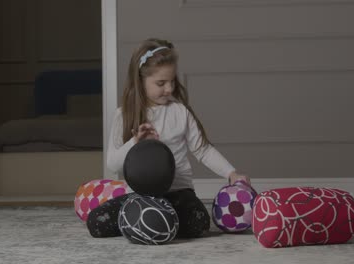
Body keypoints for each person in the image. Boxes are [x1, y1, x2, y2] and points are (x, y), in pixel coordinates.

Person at [87, 38, 251, 239]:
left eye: (172, 81)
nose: (169, 88)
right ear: (140, 81)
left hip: (178, 193)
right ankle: (150, 219)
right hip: (141, 195)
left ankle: (150, 221)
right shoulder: (124, 115)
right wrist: (135, 143)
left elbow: (203, 149)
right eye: (161, 83)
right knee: (97, 222)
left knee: (198, 223)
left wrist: (231, 173)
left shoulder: (179, 112)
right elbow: (113, 164)